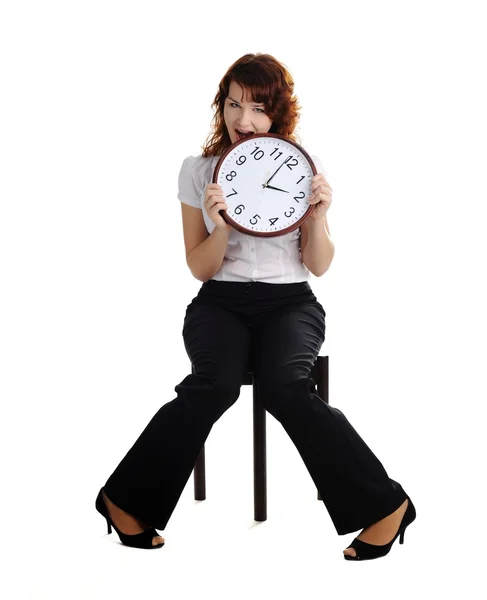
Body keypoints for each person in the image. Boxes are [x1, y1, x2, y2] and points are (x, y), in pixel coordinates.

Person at [95, 52, 416, 560]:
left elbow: (319, 265)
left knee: (286, 386)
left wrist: (317, 217)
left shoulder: (303, 166)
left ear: (279, 113)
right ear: (220, 106)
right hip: (218, 302)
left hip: (291, 303)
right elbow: (199, 268)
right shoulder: (198, 171)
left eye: (259, 108)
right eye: (233, 104)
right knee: (214, 385)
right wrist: (220, 222)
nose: (244, 120)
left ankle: (385, 507)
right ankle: (123, 499)